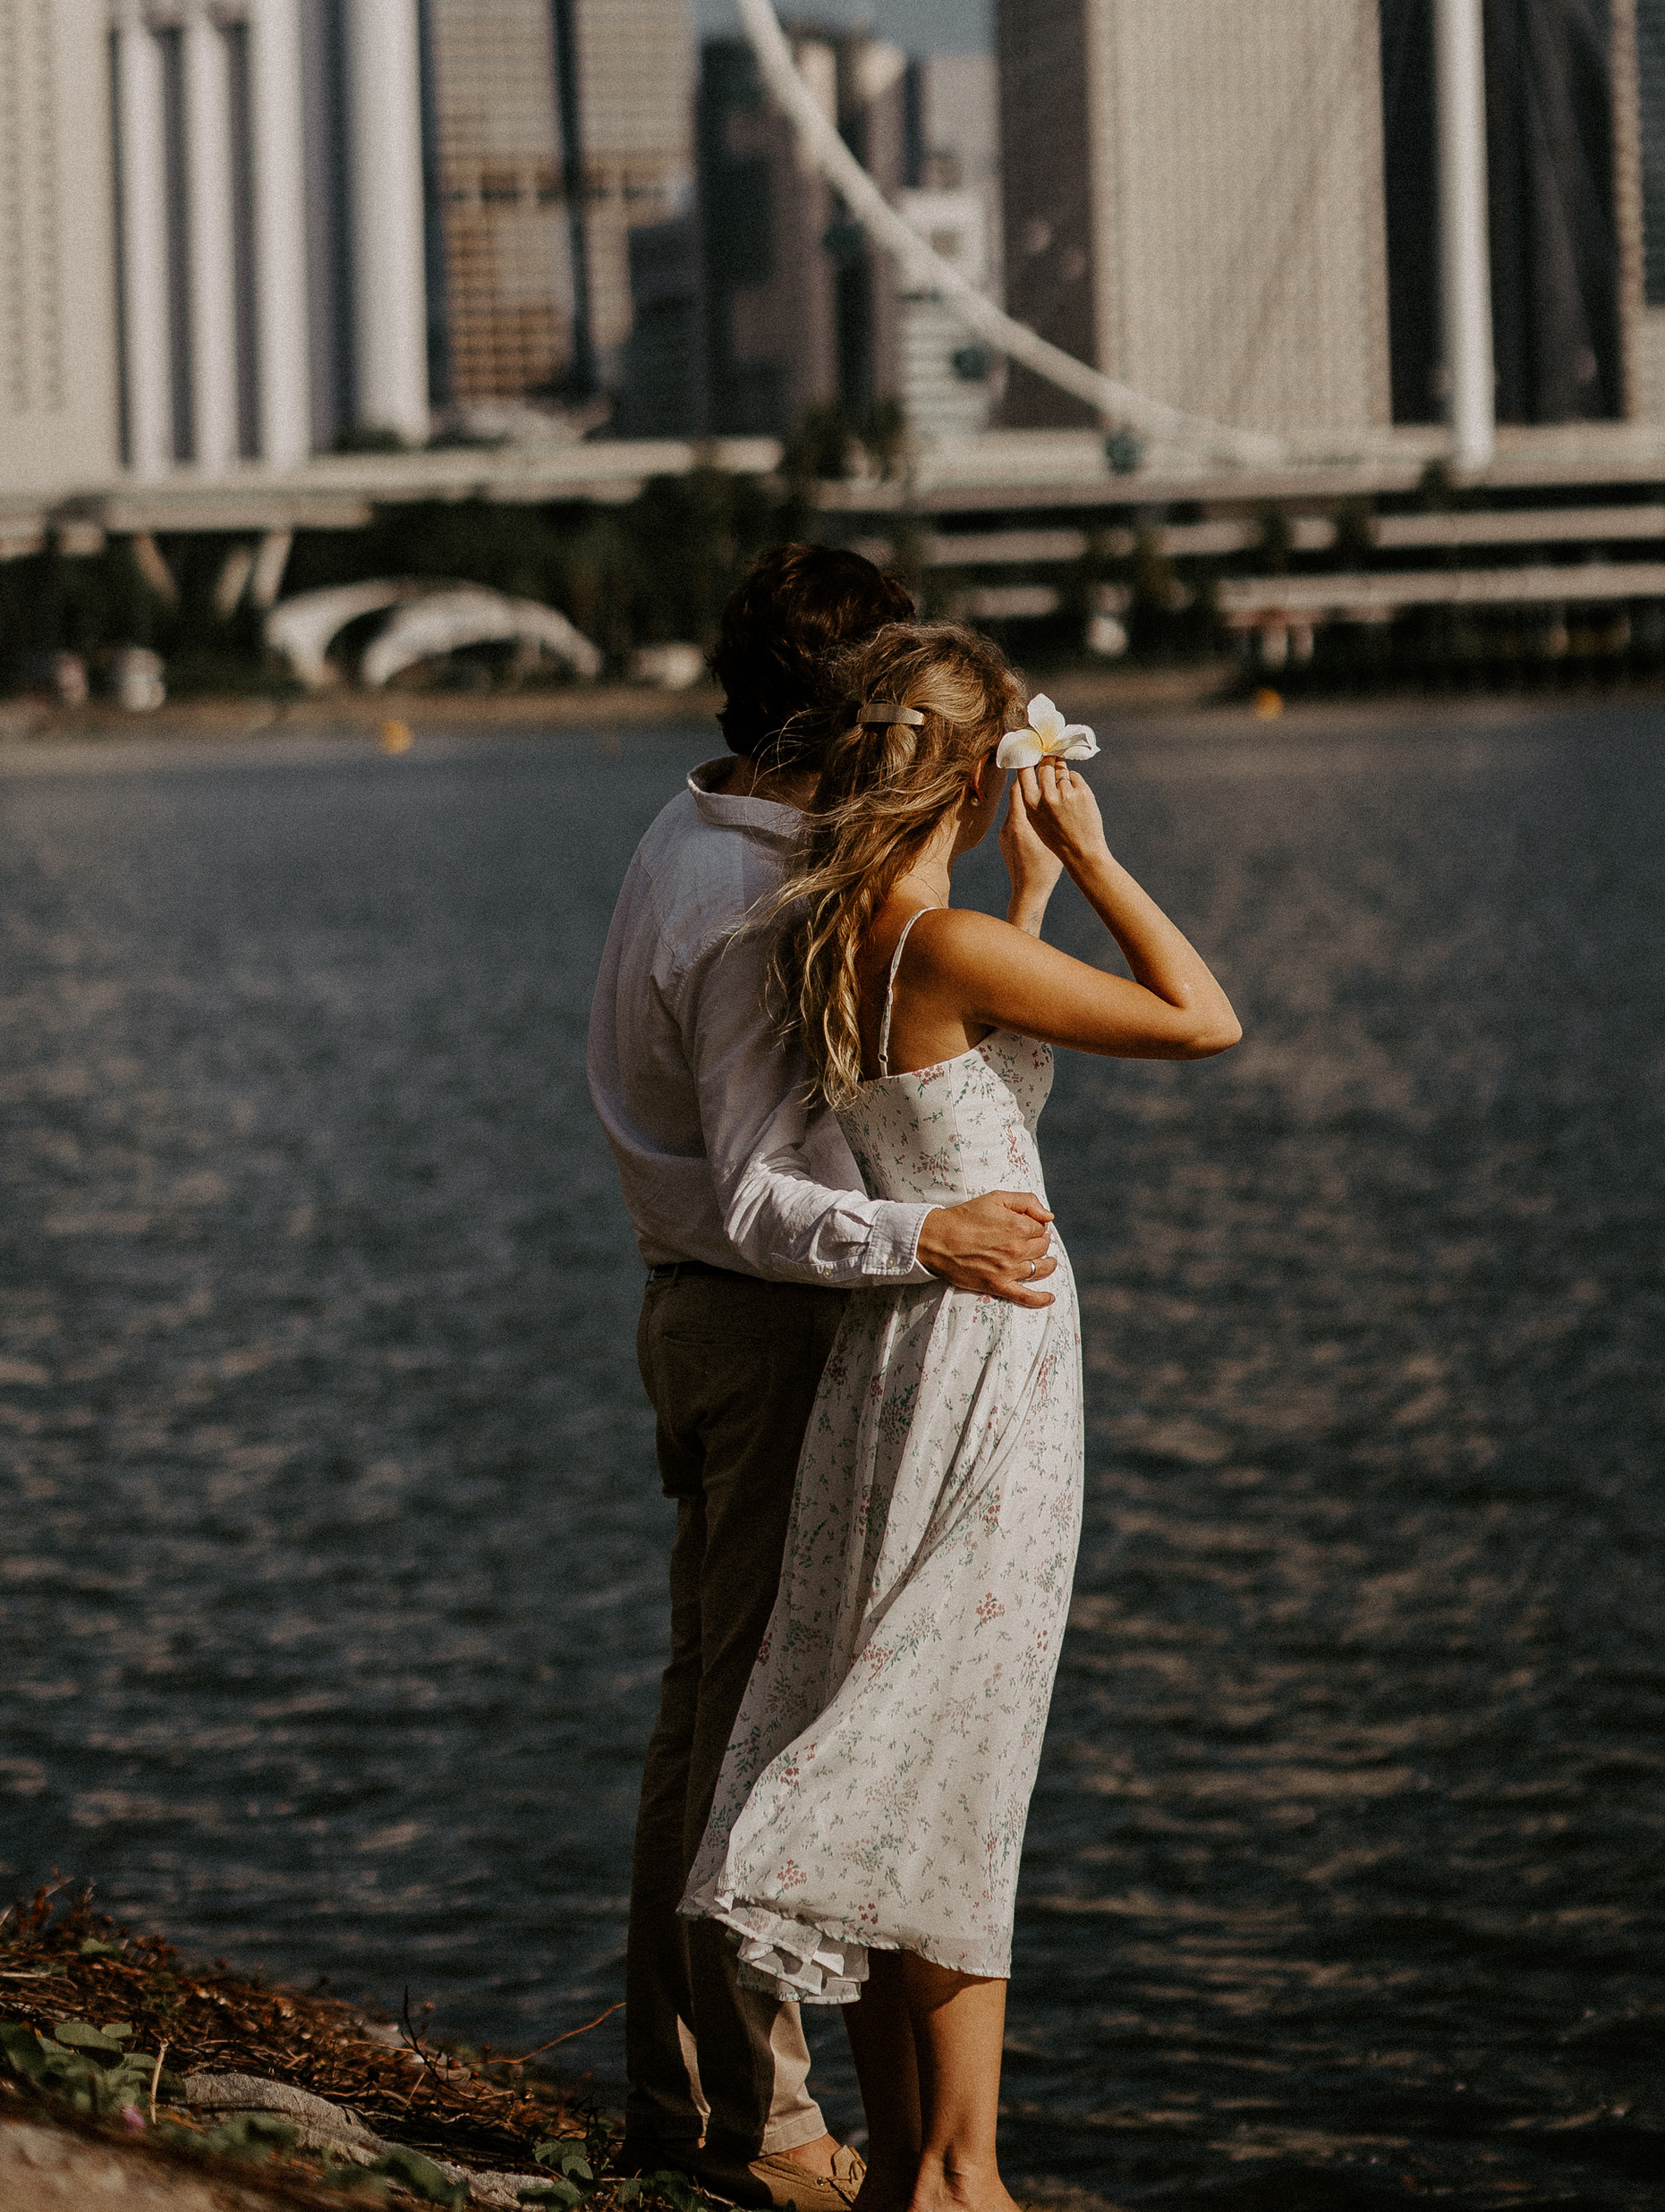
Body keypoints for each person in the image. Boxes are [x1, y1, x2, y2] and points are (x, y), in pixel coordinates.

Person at [681, 620, 1241, 2212]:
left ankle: (906, 2170)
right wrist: (1096, 857)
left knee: (909, 1722)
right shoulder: (939, 948)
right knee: (964, 1752)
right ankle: (962, 2173)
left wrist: (1028, 897)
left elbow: (962, 1082)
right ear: (972, 778)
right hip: (991, 1368)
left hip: (896, 1363)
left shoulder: (837, 932)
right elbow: (1203, 1018)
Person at [590, 547, 1060, 2210]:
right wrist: (928, 1238)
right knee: (753, 1730)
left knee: (720, 1712)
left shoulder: (701, 832)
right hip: (763, 1319)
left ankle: (703, 2100)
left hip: (721, 1317)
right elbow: (755, 1195)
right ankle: (755, 2124)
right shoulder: (748, 901)